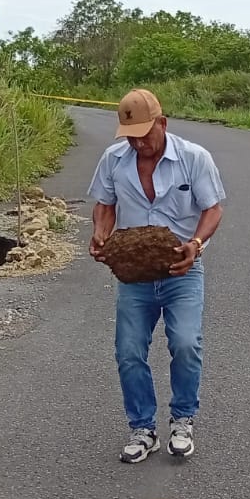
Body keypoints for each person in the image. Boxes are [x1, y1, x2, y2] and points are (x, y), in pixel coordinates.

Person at [87, 88, 225, 463]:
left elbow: (213, 209)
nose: (137, 144)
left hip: (182, 269)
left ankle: (182, 422)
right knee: (129, 351)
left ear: (163, 123)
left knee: (185, 343)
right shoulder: (114, 159)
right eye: (130, 137)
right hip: (135, 276)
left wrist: (196, 243)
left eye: (144, 135)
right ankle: (142, 429)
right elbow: (105, 205)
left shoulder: (194, 158)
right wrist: (100, 233)